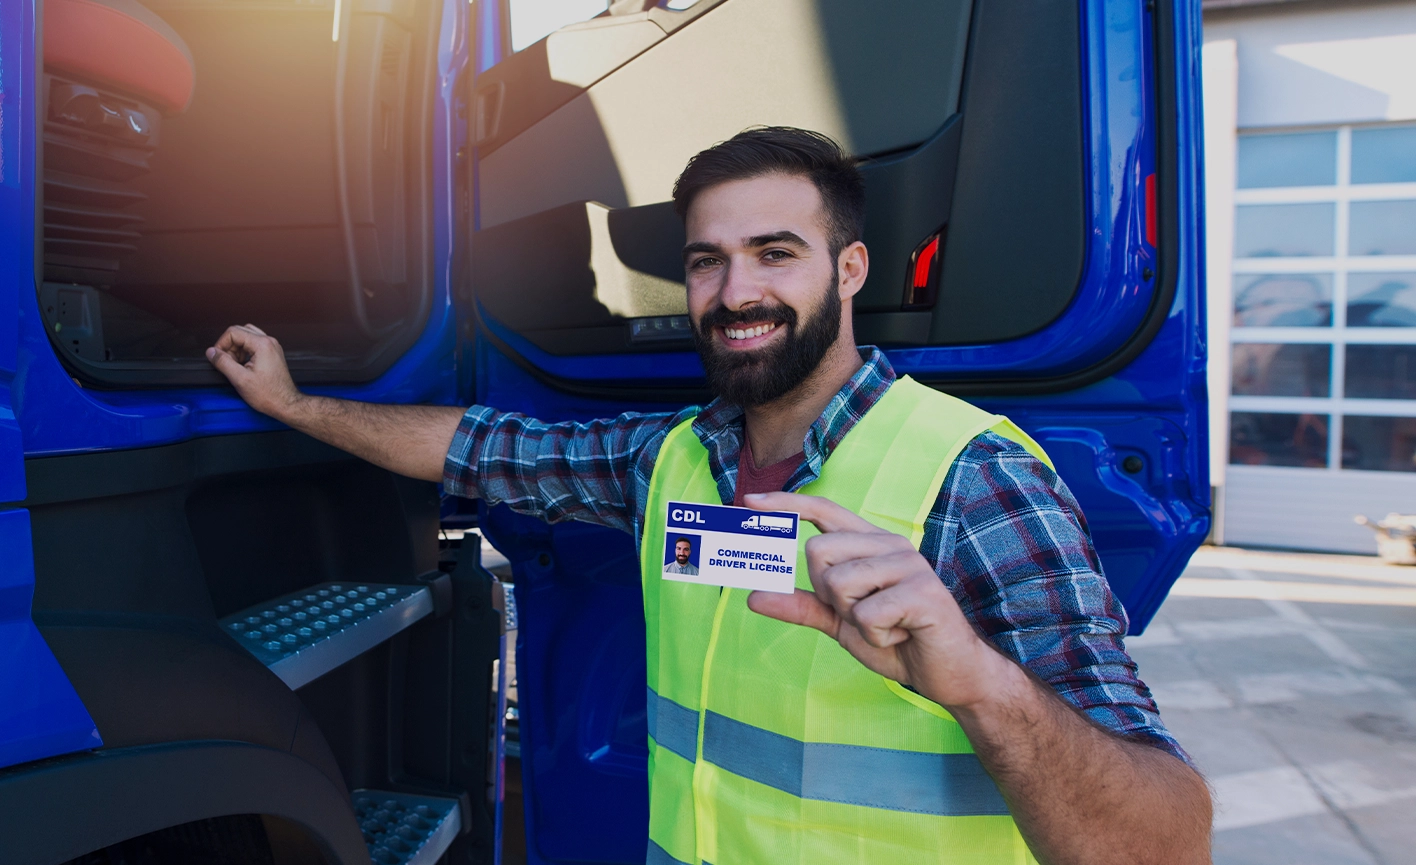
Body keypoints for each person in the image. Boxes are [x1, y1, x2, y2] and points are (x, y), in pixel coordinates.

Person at [206, 127, 1210, 864]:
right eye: (706, 261)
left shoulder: (973, 478)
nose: (735, 294)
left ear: (849, 268)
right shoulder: (673, 460)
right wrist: (295, 404)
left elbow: (1164, 843)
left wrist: (981, 683)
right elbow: (478, 447)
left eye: (775, 253)